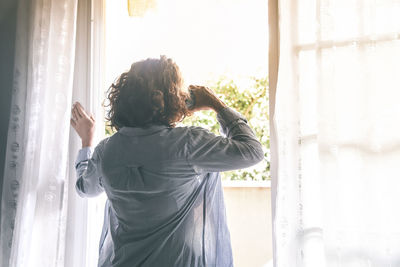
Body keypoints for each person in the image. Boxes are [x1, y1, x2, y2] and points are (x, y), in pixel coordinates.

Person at [70, 56, 264, 267]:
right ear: (168, 98)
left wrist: (87, 141)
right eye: (179, 91)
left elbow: (84, 188)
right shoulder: (186, 144)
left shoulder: (106, 151)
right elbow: (252, 151)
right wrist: (215, 103)